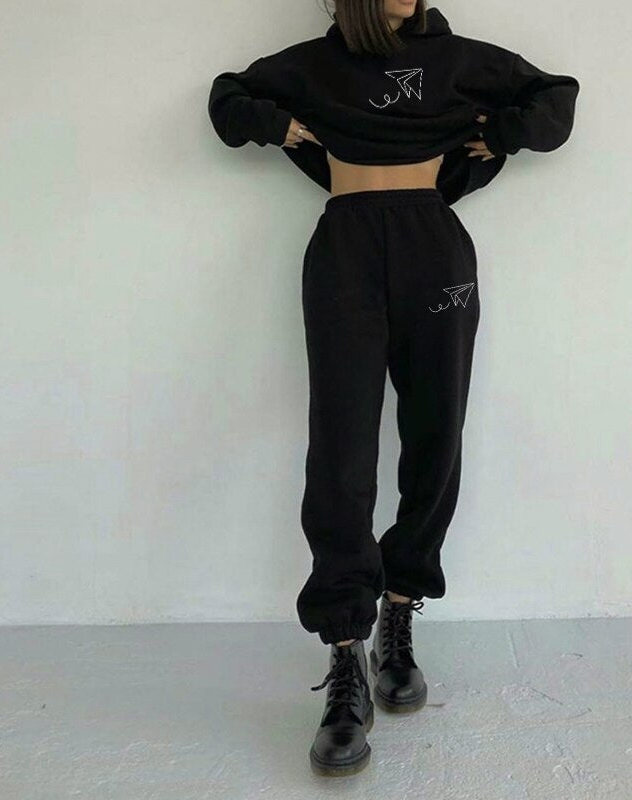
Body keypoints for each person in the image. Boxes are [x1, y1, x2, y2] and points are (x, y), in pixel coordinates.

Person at [207, 0, 579, 776]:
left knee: (436, 434)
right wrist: (273, 124)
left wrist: (506, 132)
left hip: (433, 246)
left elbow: (556, 98)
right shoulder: (313, 64)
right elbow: (228, 98)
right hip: (344, 246)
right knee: (340, 446)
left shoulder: (461, 60)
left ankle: (399, 615)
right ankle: (346, 652)